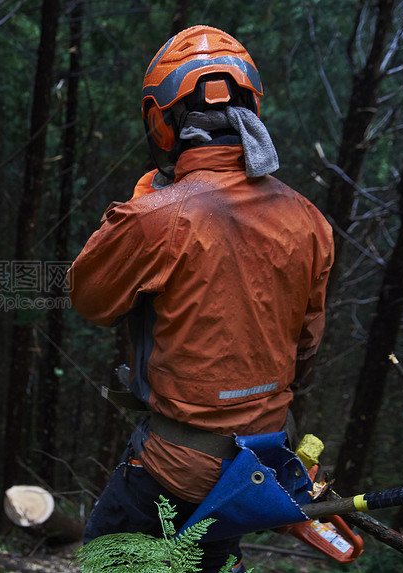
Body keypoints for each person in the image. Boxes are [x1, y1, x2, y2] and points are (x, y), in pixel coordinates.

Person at [67, 25, 334, 572]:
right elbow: (304, 349)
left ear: (161, 119)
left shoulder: (159, 215)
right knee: (209, 558)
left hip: (175, 466)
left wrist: (143, 204)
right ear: (251, 108)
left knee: (104, 557)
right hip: (259, 461)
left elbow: (89, 298)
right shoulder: (309, 220)